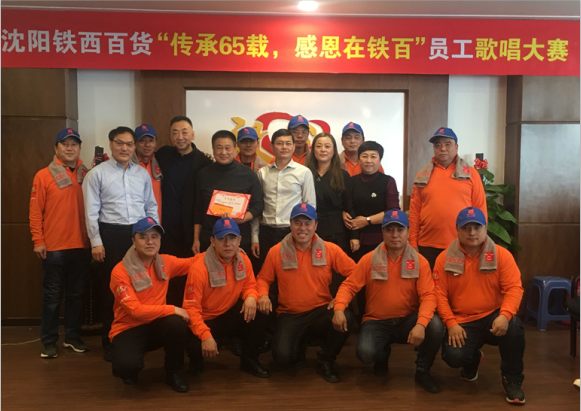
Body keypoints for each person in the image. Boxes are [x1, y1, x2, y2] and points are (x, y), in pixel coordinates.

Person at [332, 209, 445, 393]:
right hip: (376, 321)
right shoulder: (369, 259)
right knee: (365, 354)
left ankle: (423, 370)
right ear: (382, 232)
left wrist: (421, 324)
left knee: (435, 325)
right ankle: (382, 355)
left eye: (400, 230)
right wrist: (338, 309)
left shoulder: (420, 261)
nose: (395, 235)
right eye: (389, 229)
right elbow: (349, 286)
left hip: (408, 320)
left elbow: (428, 296)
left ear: (408, 232)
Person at [256, 203, 356, 383]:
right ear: (290, 225)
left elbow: (356, 275)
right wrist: (263, 295)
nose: (303, 228)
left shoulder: (330, 249)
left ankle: (326, 359)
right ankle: (299, 345)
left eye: (307, 223)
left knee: (346, 318)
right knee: (282, 358)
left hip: (321, 311)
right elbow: (263, 279)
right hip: (290, 314)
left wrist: (340, 300)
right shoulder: (276, 251)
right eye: (298, 223)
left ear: (315, 225)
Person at [435, 207, 525, 404]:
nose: (472, 232)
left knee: (514, 327)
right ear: (457, 230)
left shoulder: (502, 255)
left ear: (485, 228)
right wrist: (451, 323)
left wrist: (505, 315)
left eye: (477, 227)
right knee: (453, 357)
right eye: (466, 228)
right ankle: (473, 359)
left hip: (494, 316)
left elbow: (514, 288)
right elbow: (439, 295)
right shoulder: (443, 259)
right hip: (462, 320)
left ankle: (512, 380)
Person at [83, 126, 158, 361]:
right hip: (111, 234)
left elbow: (151, 206)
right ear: (111, 145)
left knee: (142, 285)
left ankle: (139, 337)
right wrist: (96, 242)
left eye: (129, 144)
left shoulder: (142, 174)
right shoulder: (97, 174)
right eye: (120, 143)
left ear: (134, 147)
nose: (124, 148)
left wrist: (153, 236)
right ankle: (110, 340)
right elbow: (91, 212)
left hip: (139, 233)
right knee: (113, 289)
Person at [109, 217, 199, 392]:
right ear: (133, 241)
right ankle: (128, 364)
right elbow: (135, 311)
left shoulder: (165, 262)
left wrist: (223, 250)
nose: (150, 241)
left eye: (155, 236)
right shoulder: (120, 271)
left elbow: (193, 262)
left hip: (155, 324)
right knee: (127, 367)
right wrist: (173, 308)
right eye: (143, 237)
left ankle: (173, 373)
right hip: (128, 327)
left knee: (176, 324)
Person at [29, 128, 91, 359]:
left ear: (79, 148)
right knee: (52, 297)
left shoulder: (88, 174)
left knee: (77, 295)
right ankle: (48, 341)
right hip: (54, 247)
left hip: (82, 246)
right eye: (64, 144)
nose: (69, 148)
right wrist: (38, 240)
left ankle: (72, 338)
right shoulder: (43, 175)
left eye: (74, 144)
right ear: (56, 148)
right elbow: (35, 211)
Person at [184, 218, 270, 379]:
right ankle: (196, 362)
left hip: (228, 314)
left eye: (232, 238)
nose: (228, 244)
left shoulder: (243, 259)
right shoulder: (199, 268)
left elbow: (250, 285)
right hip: (205, 319)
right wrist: (205, 336)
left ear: (239, 240)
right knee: (195, 347)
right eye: (222, 238)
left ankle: (249, 360)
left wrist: (251, 297)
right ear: (212, 241)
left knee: (258, 309)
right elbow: (190, 309)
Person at [409, 127, 487, 270]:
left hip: (462, 243)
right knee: (428, 283)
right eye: (437, 145)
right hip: (427, 245)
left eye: (447, 144)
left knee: (458, 283)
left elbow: (480, 209)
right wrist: (412, 242)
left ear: (456, 147)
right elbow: (414, 211)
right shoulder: (422, 175)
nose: (443, 148)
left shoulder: (471, 174)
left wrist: (480, 241)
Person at [155, 116, 213, 306]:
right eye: (175, 132)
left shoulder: (204, 162)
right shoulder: (163, 154)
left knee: (190, 275)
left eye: (184, 132)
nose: (180, 137)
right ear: (171, 136)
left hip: (190, 231)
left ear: (193, 135)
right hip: (165, 230)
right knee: (165, 274)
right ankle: (168, 313)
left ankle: (188, 313)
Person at [192, 130, 263, 256]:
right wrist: (196, 239)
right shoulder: (203, 174)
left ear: (235, 148)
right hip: (209, 238)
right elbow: (198, 209)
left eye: (227, 148)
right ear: (213, 149)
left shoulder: (248, 174)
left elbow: (258, 206)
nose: (223, 152)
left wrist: (241, 219)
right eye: (219, 148)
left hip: (239, 238)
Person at [345, 141, 400, 263]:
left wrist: (367, 220)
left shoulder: (388, 181)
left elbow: (393, 212)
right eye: (364, 156)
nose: (368, 160)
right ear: (359, 159)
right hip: (356, 242)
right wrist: (354, 236)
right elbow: (349, 208)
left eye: (373, 156)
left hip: (381, 240)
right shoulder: (351, 181)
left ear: (380, 160)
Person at [305, 132, 358, 255]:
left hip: (338, 230)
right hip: (311, 229)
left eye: (327, 146)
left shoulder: (343, 175)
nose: (323, 150)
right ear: (313, 150)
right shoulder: (306, 174)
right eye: (319, 146)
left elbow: (350, 207)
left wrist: (354, 236)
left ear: (334, 150)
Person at [133, 124, 162, 221]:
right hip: (136, 223)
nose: (147, 145)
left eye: (151, 141)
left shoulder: (161, 162)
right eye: (142, 140)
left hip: (157, 222)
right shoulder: (127, 166)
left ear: (156, 143)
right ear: (135, 143)